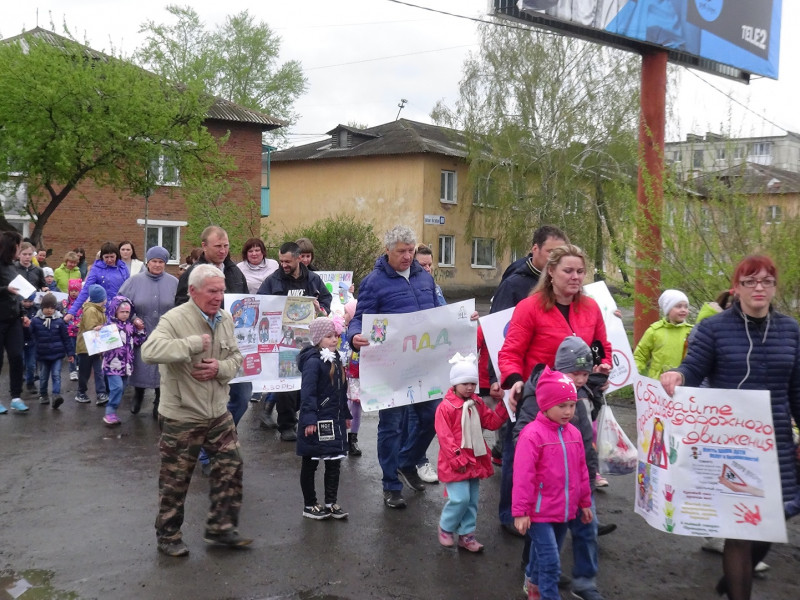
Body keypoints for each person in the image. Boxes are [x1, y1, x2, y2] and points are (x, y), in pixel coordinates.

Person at [660, 255, 800, 600]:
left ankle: (735, 575)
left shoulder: (791, 330)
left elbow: (797, 390)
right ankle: (738, 588)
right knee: (740, 531)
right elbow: (693, 367)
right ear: (736, 288)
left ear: (774, 288)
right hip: (731, 444)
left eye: (766, 281)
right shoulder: (713, 328)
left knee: (772, 525)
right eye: (750, 281)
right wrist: (677, 375)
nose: (759, 288)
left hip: (776, 443)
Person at [142, 264, 251, 556]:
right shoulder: (175, 319)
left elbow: (236, 357)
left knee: (232, 466)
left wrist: (219, 368)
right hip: (182, 415)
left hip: (218, 412)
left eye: (221, 290)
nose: (219, 297)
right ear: (193, 291)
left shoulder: (226, 318)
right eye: (212, 291)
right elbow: (149, 352)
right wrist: (190, 344)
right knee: (176, 479)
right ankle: (168, 535)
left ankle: (221, 529)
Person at [346, 225, 438, 508]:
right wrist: (354, 337)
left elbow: (437, 311)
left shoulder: (424, 277)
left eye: (411, 251)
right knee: (392, 426)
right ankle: (391, 484)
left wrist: (460, 321)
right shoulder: (374, 282)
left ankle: (407, 462)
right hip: (389, 367)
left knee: (433, 417)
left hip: (422, 364)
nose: (408, 256)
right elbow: (359, 319)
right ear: (388, 251)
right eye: (402, 251)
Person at [514, 336, 609, 600]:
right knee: (551, 562)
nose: (569, 411)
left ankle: (538, 582)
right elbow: (523, 473)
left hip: (567, 503)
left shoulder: (574, 427)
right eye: (563, 407)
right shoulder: (534, 428)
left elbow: (581, 464)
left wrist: (585, 499)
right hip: (540, 506)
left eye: (585, 373)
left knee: (552, 550)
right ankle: (545, 591)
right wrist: (521, 511)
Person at [489, 226, 569, 534]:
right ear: (535, 250)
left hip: (562, 389)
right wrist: (498, 379)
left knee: (557, 449)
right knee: (517, 447)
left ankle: (561, 509)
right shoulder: (516, 285)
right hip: (525, 385)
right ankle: (511, 513)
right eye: (552, 252)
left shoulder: (575, 296)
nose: (556, 259)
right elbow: (499, 334)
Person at [175, 226, 251, 474]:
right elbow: (179, 308)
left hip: (233, 347)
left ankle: (217, 441)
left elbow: (248, 303)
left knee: (241, 397)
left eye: (226, 245)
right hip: (205, 348)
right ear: (204, 246)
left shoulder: (235, 272)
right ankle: (209, 455)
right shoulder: (193, 274)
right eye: (218, 246)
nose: (223, 250)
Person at [257, 241, 332, 441]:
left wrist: (319, 309)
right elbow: (259, 303)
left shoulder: (314, 280)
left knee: (308, 381)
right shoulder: (272, 281)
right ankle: (287, 426)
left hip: (309, 340)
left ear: (299, 258)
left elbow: (327, 302)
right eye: (281, 261)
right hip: (283, 341)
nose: (284, 265)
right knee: (287, 385)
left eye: (288, 261)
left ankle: (299, 415)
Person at [435, 352, 508, 552]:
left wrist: (504, 406)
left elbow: (491, 422)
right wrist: (457, 458)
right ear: (455, 383)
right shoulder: (446, 407)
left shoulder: (477, 403)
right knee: (460, 498)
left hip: (474, 459)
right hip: (455, 463)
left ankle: (467, 536)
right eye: (465, 383)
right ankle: (446, 527)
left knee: (472, 501)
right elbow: (445, 436)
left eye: (472, 383)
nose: (469, 387)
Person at [296, 317, 352, 520]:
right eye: (329, 336)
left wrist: (345, 414)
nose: (334, 340)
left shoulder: (336, 358)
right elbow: (308, 393)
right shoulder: (313, 362)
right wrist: (309, 420)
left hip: (334, 420)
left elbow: (341, 391)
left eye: (336, 335)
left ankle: (331, 502)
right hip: (316, 420)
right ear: (318, 338)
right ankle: (309, 504)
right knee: (310, 462)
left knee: (334, 462)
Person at [118, 246, 179, 417]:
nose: (157, 265)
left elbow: (181, 306)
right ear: (147, 262)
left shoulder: (174, 282)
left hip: (166, 332)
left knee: (163, 366)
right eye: (154, 261)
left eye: (161, 262)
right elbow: (120, 304)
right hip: (141, 332)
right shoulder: (134, 281)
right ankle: (138, 394)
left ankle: (160, 400)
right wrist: (132, 318)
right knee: (141, 365)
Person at [101, 295, 146, 426]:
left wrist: (141, 329)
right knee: (117, 388)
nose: (125, 314)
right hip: (112, 364)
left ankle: (112, 412)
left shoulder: (130, 327)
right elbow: (100, 342)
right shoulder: (109, 325)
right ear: (115, 310)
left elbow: (138, 341)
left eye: (127, 312)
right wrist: (99, 331)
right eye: (122, 312)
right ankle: (109, 412)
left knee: (121, 388)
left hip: (126, 365)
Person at [65, 242, 130, 323]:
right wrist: (72, 311)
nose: (109, 260)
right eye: (106, 257)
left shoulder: (123, 268)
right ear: (102, 257)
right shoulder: (96, 269)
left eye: (112, 257)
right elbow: (86, 290)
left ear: (117, 255)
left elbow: (128, 289)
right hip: (101, 311)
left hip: (119, 311)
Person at [633, 289, 692, 378]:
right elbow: (640, 355)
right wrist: (634, 372)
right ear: (668, 309)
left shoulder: (692, 331)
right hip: (657, 383)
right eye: (678, 306)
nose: (683, 310)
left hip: (683, 382)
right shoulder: (655, 331)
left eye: (686, 307)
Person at [1, 231, 29, 414]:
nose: (20, 249)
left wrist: (23, 313)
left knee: (17, 356)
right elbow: (9, 290)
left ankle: (16, 396)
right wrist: (5, 289)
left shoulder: (12, 266)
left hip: (14, 319)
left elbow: (17, 294)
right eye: (19, 245)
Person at [30, 292, 73, 409]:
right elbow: (30, 335)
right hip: (42, 355)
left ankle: (56, 396)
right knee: (43, 376)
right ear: (42, 307)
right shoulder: (35, 321)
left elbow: (66, 338)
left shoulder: (59, 321)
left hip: (57, 354)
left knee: (56, 375)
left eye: (52, 308)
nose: (49, 310)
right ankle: (43, 394)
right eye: (46, 307)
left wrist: (70, 353)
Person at [74, 285, 109, 405]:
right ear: (101, 299)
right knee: (85, 372)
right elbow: (91, 327)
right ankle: (81, 392)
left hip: (96, 346)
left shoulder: (99, 310)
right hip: (86, 347)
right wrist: (98, 328)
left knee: (99, 371)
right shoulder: (91, 310)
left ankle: (101, 393)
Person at [343, 299, 362, 456]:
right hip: (343, 376)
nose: (344, 316)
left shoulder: (360, 336)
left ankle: (352, 439)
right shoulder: (341, 331)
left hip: (357, 377)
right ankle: (342, 436)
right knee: (344, 406)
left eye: (346, 312)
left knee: (355, 407)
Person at [64, 279, 82, 381]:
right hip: (69, 331)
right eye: (72, 290)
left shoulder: (83, 303)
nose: (74, 292)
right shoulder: (65, 303)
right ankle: (72, 371)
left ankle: (78, 364)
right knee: (71, 351)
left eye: (76, 290)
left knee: (79, 351)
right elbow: (63, 314)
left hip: (80, 331)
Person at [21, 294, 38, 392]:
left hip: (32, 340)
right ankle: (19, 380)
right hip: (20, 340)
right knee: (21, 362)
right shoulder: (18, 309)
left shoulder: (36, 309)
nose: (27, 303)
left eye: (30, 301)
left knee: (31, 364)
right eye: (25, 301)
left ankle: (30, 383)